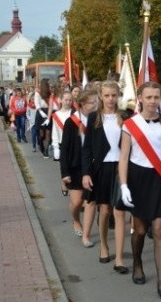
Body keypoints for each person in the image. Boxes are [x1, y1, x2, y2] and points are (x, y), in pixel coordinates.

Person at [118, 82, 161, 299]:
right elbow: (124, 157)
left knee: (160, 230)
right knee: (141, 230)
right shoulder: (130, 125)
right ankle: (137, 262)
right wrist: (124, 185)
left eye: (156, 97)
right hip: (138, 179)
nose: (153, 101)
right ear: (140, 99)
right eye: (149, 97)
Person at [82, 80, 130, 269]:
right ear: (101, 96)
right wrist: (86, 173)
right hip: (101, 169)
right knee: (104, 211)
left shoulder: (125, 116)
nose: (110, 99)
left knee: (119, 212)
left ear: (118, 96)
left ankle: (119, 258)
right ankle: (104, 245)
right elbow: (86, 149)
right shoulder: (94, 117)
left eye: (114, 95)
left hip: (121, 168)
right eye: (107, 95)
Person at [60, 90, 98, 247]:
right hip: (75, 167)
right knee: (77, 202)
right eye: (93, 103)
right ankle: (76, 220)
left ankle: (87, 234)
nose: (96, 105)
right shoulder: (71, 122)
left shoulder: (97, 120)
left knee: (89, 200)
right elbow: (65, 149)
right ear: (82, 104)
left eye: (97, 102)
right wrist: (65, 172)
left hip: (91, 165)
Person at [51, 91, 73, 195]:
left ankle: (74, 188)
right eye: (66, 100)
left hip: (73, 143)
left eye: (70, 100)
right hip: (62, 144)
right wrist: (55, 147)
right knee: (64, 166)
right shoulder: (56, 115)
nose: (68, 102)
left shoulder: (75, 113)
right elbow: (55, 132)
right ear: (61, 100)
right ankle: (64, 183)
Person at [34, 79, 52, 158]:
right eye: (48, 83)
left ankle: (46, 150)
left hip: (48, 112)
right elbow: (37, 104)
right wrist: (41, 113)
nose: (50, 84)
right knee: (42, 134)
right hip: (41, 112)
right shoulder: (38, 93)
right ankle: (41, 145)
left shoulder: (50, 93)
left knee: (48, 132)